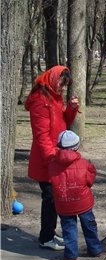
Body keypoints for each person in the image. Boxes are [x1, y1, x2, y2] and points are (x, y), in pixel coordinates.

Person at [24, 65, 80, 250]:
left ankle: (50, 233)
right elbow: (42, 136)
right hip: (46, 160)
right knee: (49, 199)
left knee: (55, 198)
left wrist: (71, 109)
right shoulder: (40, 101)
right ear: (53, 80)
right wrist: (53, 160)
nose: (62, 89)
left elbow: (64, 122)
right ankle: (45, 238)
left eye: (64, 86)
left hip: (57, 156)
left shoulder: (54, 98)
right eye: (60, 85)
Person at [48, 130, 103, 260]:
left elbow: (51, 182)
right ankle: (95, 249)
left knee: (68, 229)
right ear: (76, 147)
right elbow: (89, 182)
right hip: (83, 203)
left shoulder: (52, 165)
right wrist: (92, 171)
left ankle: (71, 255)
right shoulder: (84, 164)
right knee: (89, 226)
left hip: (63, 203)